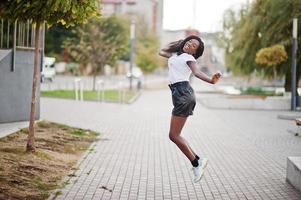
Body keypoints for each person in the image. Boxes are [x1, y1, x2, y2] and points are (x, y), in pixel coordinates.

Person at [158, 35, 221, 183]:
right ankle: (198, 161)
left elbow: (197, 72)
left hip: (183, 94)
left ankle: (196, 162)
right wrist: (179, 44)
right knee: (175, 135)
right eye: (189, 42)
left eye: (194, 46)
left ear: (195, 52)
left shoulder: (189, 58)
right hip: (179, 93)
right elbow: (161, 51)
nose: (190, 45)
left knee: (174, 135)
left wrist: (211, 81)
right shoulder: (177, 55)